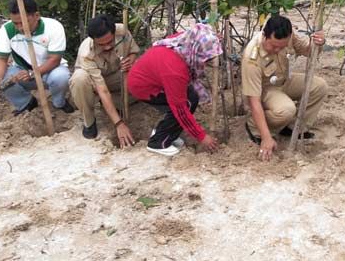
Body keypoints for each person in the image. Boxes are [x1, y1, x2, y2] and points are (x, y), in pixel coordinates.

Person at [241, 14, 328, 162]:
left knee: (319, 86)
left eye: (281, 47)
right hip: (266, 90)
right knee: (286, 110)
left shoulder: (288, 35)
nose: (277, 50)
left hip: (284, 80)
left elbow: (308, 51)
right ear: (264, 35)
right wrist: (266, 138)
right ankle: (255, 126)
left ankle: (293, 127)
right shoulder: (252, 57)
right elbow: (254, 101)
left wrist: (318, 43)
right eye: (273, 46)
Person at [127, 23, 222, 157]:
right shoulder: (175, 71)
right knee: (186, 104)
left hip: (151, 78)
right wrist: (202, 136)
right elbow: (180, 109)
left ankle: (166, 133)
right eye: (205, 59)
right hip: (143, 87)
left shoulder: (184, 41)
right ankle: (158, 142)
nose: (205, 63)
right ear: (196, 53)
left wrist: (212, 39)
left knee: (191, 98)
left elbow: (198, 34)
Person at [0, 0, 72, 114]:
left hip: (49, 70)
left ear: (36, 16)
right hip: (21, 70)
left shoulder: (53, 27)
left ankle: (59, 103)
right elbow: (1, 58)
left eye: (23, 22)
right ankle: (26, 103)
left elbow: (55, 60)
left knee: (61, 77)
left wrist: (33, 73)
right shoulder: (7, 30)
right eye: (15, 23)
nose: (19, 27)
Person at [69, 15, 140, 145]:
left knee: (140, 72)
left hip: (116, 76)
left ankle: (116, 104)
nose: (107, 47)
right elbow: (102, 89)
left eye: (110, 42)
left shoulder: (123, 31)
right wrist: (119, 124)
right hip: (93, 82)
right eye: (101, 44)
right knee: (79, 78)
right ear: (93, 39)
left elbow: (133, 52)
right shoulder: (86, 53)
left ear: (114, 33)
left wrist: (131, 59)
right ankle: (89, 121)